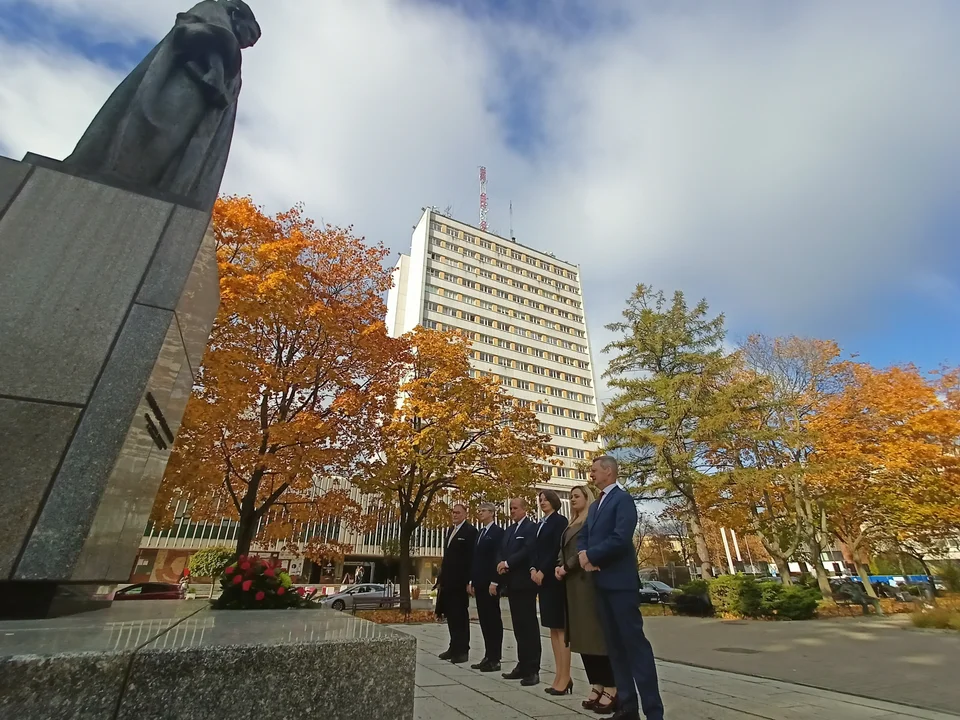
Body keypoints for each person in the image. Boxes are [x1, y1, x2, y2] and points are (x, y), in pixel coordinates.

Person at [579, 456, 665, 720]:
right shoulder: (595, 506)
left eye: (594, 470)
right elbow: (585, 535)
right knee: (614, 648)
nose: (591, 474)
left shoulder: (622, 499)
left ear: (609, 471)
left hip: (620, 584)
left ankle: (653, 712)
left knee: (634, 646)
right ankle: (627, 707)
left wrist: (592, 556)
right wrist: (583, 554)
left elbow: (620, 537)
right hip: (600, 584)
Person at [557, 486, 618, 714]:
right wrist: (558, 565)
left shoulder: (590, 521)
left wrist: (566, 567)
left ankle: (612, 685)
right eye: (571, 497)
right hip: (571, 586)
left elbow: (584, 550)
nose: (572, 500)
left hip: (586, 583)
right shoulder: (571, 523)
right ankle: (597, 684)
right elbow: (562, 550)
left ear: (587, 498)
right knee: (582, 639)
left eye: (577, 496)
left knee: (595, 636)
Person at [497, 498, 541, 686]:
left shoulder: (530, 528)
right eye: (511, 508)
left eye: (515, 508)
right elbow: (502, 550)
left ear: (525, 509)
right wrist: (501, 564)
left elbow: (527, 551)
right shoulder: (509, 530)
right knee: (518, 627)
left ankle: (533, 669)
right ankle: (522, 665)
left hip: (525, 584)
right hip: (512, 584)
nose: (512, 511)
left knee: (529, 626)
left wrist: (508, 563)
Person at [531, 489, 571, 696]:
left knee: (560, 629)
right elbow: (535, 550)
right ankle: (559, 675)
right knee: (552, 630)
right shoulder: (540, 524)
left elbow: (556, 549)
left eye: (546, 499)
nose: (543, 502)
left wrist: (542, 571)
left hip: (553, 580)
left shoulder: (559, 521)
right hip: (541, 580)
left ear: (554, 501)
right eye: (540, 500)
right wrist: (532, 569)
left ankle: (565, 677)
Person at [437, 503, 477, 663]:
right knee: (451, 616)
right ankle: (453, 647)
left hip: (460, 582)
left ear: (465, 514)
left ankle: (462, 650)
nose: (455, 515)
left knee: (460, 616)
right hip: (448, 582)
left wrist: (469, 581)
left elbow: (471, 558)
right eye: (453, 512)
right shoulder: (450, 531)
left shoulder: (470, 531)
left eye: (458, 513)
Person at [468, 502, 505, 671]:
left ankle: (495, 658)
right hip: (479, 583)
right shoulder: (481, 533)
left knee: (493, 620)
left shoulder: (498, 533)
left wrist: (495, 581)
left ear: (491, 513)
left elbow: (497, 557)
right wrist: (472, 581)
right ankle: (488, 655)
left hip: (490, 583)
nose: (480, 513)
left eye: (483, 511)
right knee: (484, 620)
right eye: (479, 510)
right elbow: (475, 559)